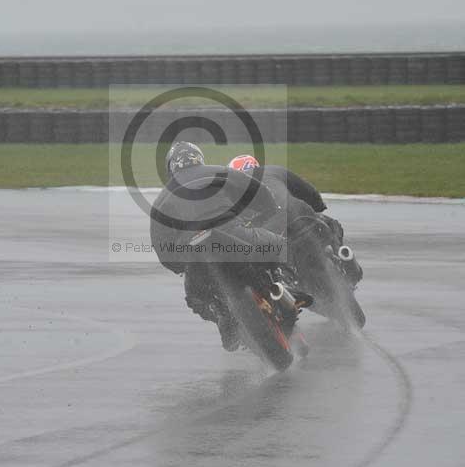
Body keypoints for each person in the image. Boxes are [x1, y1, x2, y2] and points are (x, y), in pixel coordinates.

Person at [149, 142, 288, 350]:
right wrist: (269, 210)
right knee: (280, 246)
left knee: (195, 297)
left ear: (171, 167)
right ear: (198, 157)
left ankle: (221, 313)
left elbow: (162, 248)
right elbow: (256, 190)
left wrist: (179, 265)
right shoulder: (219, 172)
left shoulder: (160, 200)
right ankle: (283, 287)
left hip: (195, 256)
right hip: (233, 235)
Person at [228, 155, 362, 283]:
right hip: (300, 212)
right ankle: (342, 254)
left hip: (271, 229)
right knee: (332, 224)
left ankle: (282, 281)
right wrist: (319, 206)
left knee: (262, 259)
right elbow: (309, 192)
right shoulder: (273, 170)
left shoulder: (233, 190)